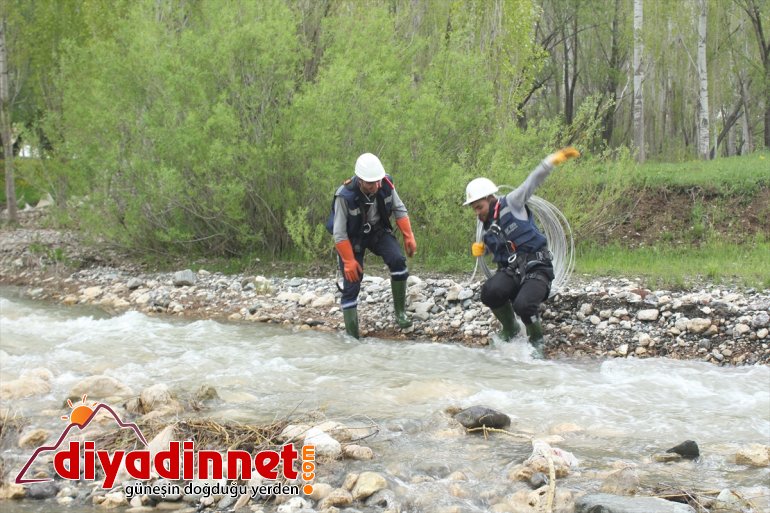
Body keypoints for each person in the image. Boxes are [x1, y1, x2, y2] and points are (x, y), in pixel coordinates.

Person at [463, 147, 580, 357]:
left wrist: (553, 160)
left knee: (523, 306)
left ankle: (537, 340)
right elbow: (502, 250)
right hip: (512, 270)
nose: (477, 213)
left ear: (490, 199)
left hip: (538, 267)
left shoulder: (513, 202)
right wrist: (485, 248)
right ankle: (510, 328)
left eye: (479, 207)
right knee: (490, 292)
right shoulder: (487, 226)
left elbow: (533, 180)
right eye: (474, 209)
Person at [327, 153, 417, 338]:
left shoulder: (386, 183)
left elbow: (399, 209)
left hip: (378, 231)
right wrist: (349, 260)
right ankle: (352, 337)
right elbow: (339, 233)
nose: (376, 186)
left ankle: (400, 314)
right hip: (352, 239)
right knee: (352, 284)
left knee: (398, 260)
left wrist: (408, 236)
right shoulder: (344, 195)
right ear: (360, 180)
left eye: (378, 181)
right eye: (370, 183)